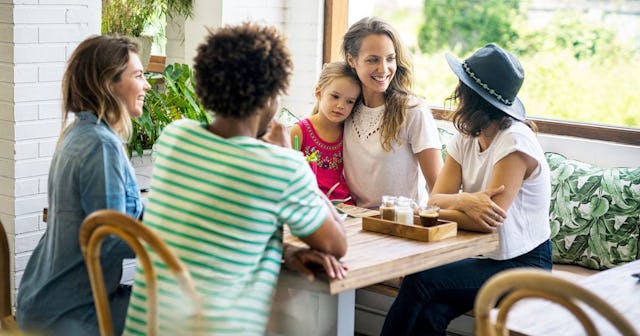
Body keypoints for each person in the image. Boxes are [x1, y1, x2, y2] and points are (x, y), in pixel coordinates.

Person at [122, 22, 348, 336]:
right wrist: (292, 158)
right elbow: (337, 244)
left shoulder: (176, 138)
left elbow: (209, 228)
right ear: (270, 96)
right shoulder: (280, 167)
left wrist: (281, 251)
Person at [381, 43, 552, 335]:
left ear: (472, 96)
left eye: (462, 86)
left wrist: (456, 205)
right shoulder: (466, 135)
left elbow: (484, 223)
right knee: (432, 311)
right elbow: (435, 199)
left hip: (524, 264)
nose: (457, 92)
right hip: (484, 257)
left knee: (419, 280)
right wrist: (467, 201)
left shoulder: (514, 144)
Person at [16, 35, 150, 335]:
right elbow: (110, 239)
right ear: (108, 83)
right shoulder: (101, 145)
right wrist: (178, 238)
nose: (147, 85)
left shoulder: (80, 133)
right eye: (139, 75)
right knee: (183, 313)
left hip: (44, 301)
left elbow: (117, 219)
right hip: (70, 314)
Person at [341, 16, 443, 209]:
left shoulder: (412, 111)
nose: (384, 69)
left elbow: (439, 187)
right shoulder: (345, 108)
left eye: (390, 59)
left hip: (403, 226)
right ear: (351, 60)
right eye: (373, 60)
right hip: (356, 223)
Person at [289, 61, 360, 204]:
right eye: (335, 96)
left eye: (350, 101)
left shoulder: (350, 133)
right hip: (309, 204)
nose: (341, 106)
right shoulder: (299, 131)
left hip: (344, 206)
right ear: (319, 92)